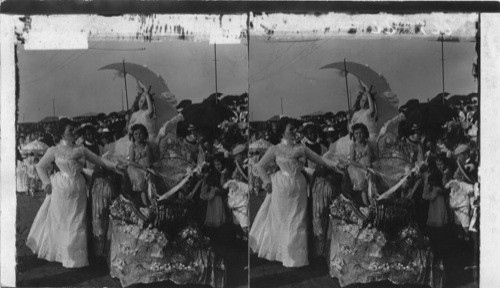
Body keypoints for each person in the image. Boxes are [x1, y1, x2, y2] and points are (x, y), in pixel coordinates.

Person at [26, 118, 122, 268]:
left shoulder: (81, 149)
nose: (73, 132)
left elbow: (99, 161)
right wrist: (46, 183)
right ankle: (61, 253)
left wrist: (116, 166)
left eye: (73, 130)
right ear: (61, 133)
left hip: (78, 188)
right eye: (70, 130)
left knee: (77, 220)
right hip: (60, 189)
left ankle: (76, 259)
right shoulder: (54, 150)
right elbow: (40, 166)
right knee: (61, 220)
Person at [249, 117, 339, 267]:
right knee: (282, 220)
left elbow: (320, 160)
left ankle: (297, 258)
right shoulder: (275, 149)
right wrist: (266, 182)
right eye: (291, 129)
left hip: (299, 187)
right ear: (282, 132)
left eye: (294, 129)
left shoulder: (301, 148)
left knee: (298, 221)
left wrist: (336, 165)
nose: (294, 131)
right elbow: (259, 166)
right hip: (281, 188)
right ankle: (282, 253)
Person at [348, 123, 376, 207]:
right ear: (353, 134)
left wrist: (374, 164)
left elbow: (374, 156)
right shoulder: (353, 146)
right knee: (364, 188)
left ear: (365, 133)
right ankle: (366, 204)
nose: (359, 135)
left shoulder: (369, 144)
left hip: (370, 167)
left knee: (373, 185)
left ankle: (373, 202)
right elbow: (352, 161)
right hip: (359, 169)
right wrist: (362, 166)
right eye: (356, 133)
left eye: (361, 133)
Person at [127, 124, 155, 207]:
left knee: (152, 184)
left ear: (144, 134)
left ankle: (153, 201)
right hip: (138, 169)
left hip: (148, 167)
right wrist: (142, 167)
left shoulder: (148, 145)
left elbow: (151, 157)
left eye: (140, 134)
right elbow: (131, 161)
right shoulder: (133, 147)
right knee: (143, 186)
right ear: (133, 135)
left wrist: (152, 164)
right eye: (136, 134)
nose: (138, 136)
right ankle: (145, 203)